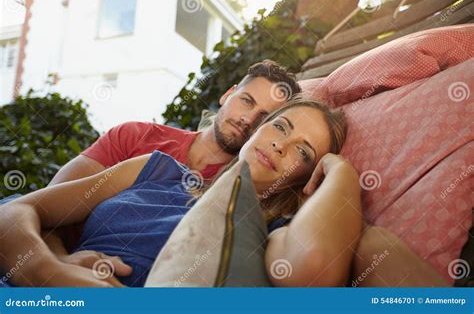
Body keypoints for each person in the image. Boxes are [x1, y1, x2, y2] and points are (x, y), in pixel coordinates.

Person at [0, 98, 361, 287]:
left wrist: (340, 172)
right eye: (280, 126)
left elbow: (313, 269)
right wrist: (49, 268)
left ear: (305, 179)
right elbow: (18, 209)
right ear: (256, 131)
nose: (282, 145)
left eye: (304, 152)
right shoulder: (155, 168)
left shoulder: (272, 234)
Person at [41, 59, 302, 254]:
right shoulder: (135, 136)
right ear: (227, 95)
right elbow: (46, 209)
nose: (247, 119)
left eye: (263, 118)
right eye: (246, 100)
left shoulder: (239, 194)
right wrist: (59, 265)